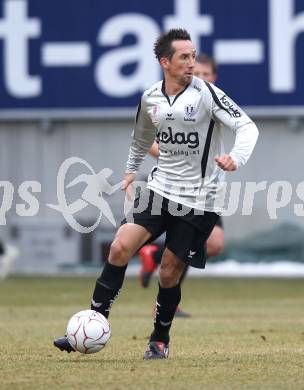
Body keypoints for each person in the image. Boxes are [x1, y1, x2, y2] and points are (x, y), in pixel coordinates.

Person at [54, 28, 259, 360]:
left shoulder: (207, 94)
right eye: (184, 57)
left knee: (168, 271)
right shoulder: (150, 96)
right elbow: (140, 138)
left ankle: (159, 339)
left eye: (194, 56)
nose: (192, 63)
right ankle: (92, 323)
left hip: (198, 200)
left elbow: (247, 126)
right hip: (159, 189)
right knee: (120, 246)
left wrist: (236, 157)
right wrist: (131, 170)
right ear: (165, 62)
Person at [138, 54, 225, 319]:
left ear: (214, 77)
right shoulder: (171, 102)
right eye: (195, 72)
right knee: (189, 243)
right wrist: (174, 154)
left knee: (213, 245)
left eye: (206, 74)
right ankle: (165, 306)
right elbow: (147, 139)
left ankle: (155, 255)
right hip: (176, 187)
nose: (200, 78)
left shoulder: (215, 103)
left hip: (207, 188)